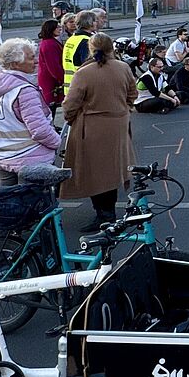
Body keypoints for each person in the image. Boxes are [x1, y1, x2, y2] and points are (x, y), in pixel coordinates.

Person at [62, 32, 136, 233]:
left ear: (91, 49)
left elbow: (70, 104)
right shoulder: (123, 68)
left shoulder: (84, 73)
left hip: (92, 126)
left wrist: (72, 119)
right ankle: (108, 212)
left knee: (94, 172)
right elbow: (133, 94)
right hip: (118, 124)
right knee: (112, 170)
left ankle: (104, 214)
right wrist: (122, 110)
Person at [0, 38, 61, 186]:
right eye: (31, 58)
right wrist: (58, 143)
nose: (36, 61)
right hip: (28, 155)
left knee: (8, 200)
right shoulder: (24, 90)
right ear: (16, 63)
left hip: (1, 152)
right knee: (33, 201)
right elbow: (39, 130)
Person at [62, 10, 97, 94]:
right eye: (95, 21)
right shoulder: (86, 41)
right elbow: (88, 65)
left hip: (70, 86)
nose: (96, 23)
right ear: (89, 23)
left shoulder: (72, 39)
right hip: (82, 87)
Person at [37, 19, 66, 113]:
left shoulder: (50, 42)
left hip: (50, 77)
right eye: (57, 27)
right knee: (50, 104)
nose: (60, 29)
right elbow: (53, 66)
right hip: (50, 80)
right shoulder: (49, 44)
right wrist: (62, 78)